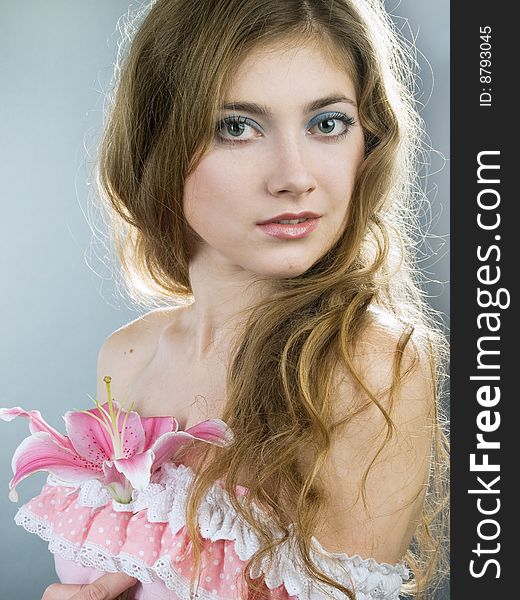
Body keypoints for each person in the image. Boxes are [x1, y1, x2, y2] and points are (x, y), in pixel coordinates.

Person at [24, 0, 449, 598]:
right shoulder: (127, 356)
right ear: (156, 147)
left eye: (327, 123)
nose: (294, 176)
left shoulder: (370, 362)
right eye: (236, 126)